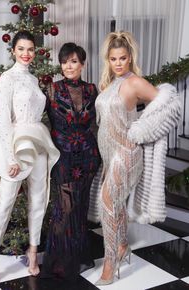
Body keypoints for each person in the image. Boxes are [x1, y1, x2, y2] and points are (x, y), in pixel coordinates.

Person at [95, 31, 181, 285]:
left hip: (127, 153)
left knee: (107, 203)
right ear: (108, 60)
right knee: (116, 204)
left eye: (122, 58)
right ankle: (121, 246)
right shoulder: (110, 83)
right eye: (113, 59)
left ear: (130, 57)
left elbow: (170, 103)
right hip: (109, 155)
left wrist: (141, 130)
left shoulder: (135, 82)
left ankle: (110, 263)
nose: (118, 63)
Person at [0, 30, 60, 290]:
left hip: (37, 141)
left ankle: (32, 252)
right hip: (17, 145)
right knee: (4, 204)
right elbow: (4, 119)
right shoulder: (7, 78)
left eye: (30, 49)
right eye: (21, 49)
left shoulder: (35, 79)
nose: (26, 53)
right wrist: (10, 157)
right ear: (13, 50)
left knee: (38, 200)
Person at [40, 42, 101, 280]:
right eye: (65, 62)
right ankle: (58, 262)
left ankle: (77, 258)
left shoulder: (92, 90)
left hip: (87, 157)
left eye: (74, 61)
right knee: (64, 210)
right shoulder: (51, 90)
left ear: (82, 64)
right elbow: (34, 118)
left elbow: (103, 120)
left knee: (80, 209)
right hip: (62, 158)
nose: (69, 66)